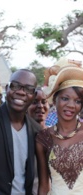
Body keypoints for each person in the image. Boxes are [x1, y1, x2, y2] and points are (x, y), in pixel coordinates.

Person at [36, 57, 83, 194]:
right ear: (55, 99)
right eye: (65, 98)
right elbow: (44, 185)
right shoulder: (43, 138)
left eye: (78, 101)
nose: (71, 105)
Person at [27, 87, 50, 195]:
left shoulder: (57, 135)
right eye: (34, 102)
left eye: (44, 102)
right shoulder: (21, 136)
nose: (40, 106)